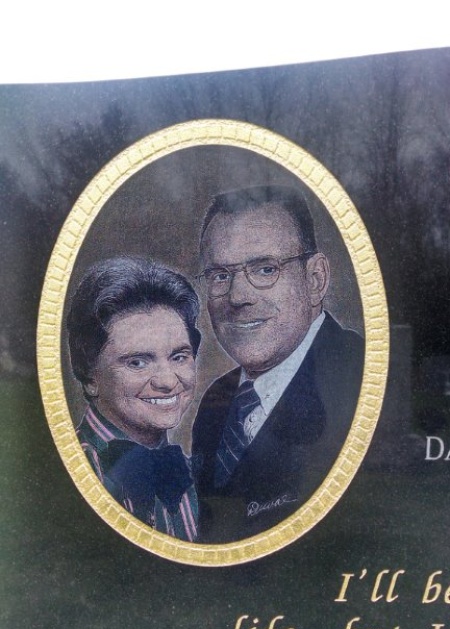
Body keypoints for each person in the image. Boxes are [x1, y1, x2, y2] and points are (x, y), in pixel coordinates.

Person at [192, 184, 364, 543]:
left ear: (315, 280)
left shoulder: (365, 379)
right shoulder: (214, 403)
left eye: (265, 269)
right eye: (220, 275)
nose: (238, 296)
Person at [67, 256, 201, 542]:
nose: (167, 381)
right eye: (137, 362)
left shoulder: (199, 474)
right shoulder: (67, 472)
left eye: (179, 357)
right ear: (90, 376)